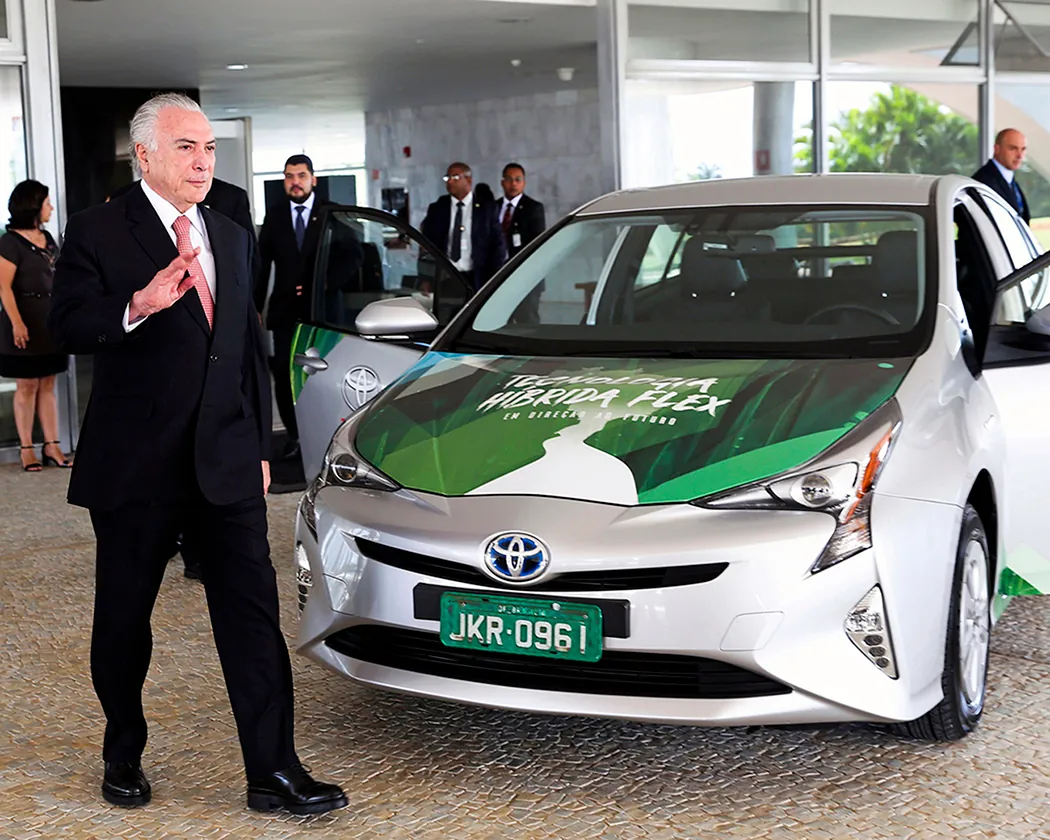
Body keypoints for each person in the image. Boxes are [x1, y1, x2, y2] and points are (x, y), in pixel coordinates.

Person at [48, 93, 347, 816]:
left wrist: (261, 444)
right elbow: (67, 324)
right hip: (135, 467)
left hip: (227, 462)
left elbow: (245, 346)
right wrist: (137, 304)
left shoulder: (231, 231)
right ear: (144, 155)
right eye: (185, 147)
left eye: (208, 147)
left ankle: (273, 771)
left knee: (251, 617)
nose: (203, 160)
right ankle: (123, 749)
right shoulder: (96, 231)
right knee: (124, 621)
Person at [255, 154, 324, 461]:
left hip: (321, 313)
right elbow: (261, 265)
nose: (295, 182)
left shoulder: (329, 214)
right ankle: (295, 436)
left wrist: (317, 286)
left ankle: (323, 436)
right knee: (283, 374)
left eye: (300, 175)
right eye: (289, 176)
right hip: (284, 313)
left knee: (321, 376)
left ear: (313, 179)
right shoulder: (275, 215)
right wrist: (255, 307)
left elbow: (352, 258)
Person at [0, 180, 72, 472]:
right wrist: (17, 324)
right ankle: (27, 448)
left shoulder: (48, 237)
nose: (51, 208)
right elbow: (4, 288)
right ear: (32, 205)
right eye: (47, 203)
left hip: (50, 320)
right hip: (23, 320)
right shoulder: (9, 242)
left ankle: (52, 446)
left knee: (48, 383)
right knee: (27, 385)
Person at [421, 162, 506, 291]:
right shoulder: (438, 208)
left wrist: (495, 277)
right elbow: (426, 244)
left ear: (468, 179)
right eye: (447, 178)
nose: (449, 182)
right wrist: (425, 277)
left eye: (455, 177)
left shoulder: (486, 208)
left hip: (476, 277)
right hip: (446, 277)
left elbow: (497, 244)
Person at [498, 163, 547, 323]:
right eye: (509, 179)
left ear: (524, 182)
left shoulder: (533, 208)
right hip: (497, 276)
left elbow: (536, 243)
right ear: (502, 182)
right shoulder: (493, 207)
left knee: (527, 321)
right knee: (499, 321)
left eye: (518, 179)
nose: (513, 184)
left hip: (525, 277)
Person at [973, 129, 1030, 223]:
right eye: (1013, 148)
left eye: (1023, 149)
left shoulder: (1010, 181)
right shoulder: (983, 182)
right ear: (997, 149)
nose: (1020, 155)